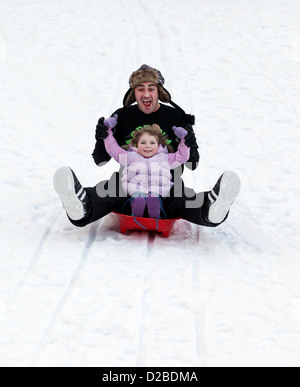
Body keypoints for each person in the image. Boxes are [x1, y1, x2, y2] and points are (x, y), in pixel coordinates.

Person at [53, 64, 241, 229]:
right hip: (131, 179)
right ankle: (81, 206)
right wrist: (101, 138)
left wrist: (190, 142)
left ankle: (211, 208)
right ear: (133, 93)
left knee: (183, 200)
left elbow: (192, 164)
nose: (146, 94)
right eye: (140, 89)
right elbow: (100, 160)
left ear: (159, 92)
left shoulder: (175, 116)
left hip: (167, 182)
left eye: (151, 88)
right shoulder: (123, 115)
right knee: (108, 191)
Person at [102, 118, 190, 219]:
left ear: (159, 145)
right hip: (135, 191)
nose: (147, 146)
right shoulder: (129, 156)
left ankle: (156, 212)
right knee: (138, 198)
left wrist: (184, 139)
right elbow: (113, 149)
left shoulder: (165, 158)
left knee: (154, 198)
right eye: (143, 142)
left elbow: (183, 156)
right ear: (136, 144)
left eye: (152, 143)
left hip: (158, 192)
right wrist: (107, 132)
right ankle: (135, 210)